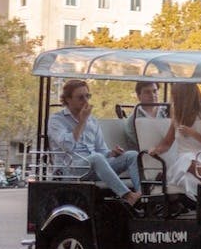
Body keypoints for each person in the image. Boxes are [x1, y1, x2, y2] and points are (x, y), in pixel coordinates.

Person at [47, 79, 142, 209]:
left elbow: (101, 150)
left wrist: (112, 153)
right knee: (96, 158)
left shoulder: (92, 120)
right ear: (68, 99)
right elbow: (67, 146)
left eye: (88, 96)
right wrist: (82, 122)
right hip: (70, 169)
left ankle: (142, 195)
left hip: (94, 165)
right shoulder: (57, 120)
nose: (86, 101)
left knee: (132, 155)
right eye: (81, 97)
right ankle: (127, 196)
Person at [151, 83, 201, 199]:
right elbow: (167, 143)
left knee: (187, 179)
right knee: (187, 159)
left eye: (176, 96)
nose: (174, 99)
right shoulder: (177, 113)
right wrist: (156, 150)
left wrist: (194, 134)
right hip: (183, 160)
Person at [120, 80, 167, 152]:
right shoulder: (133, 120)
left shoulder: (167, 113)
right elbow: (142, 145)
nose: (152, 95)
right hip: (146, 156)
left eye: (155, 91)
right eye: (147, 92)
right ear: (139, 96)